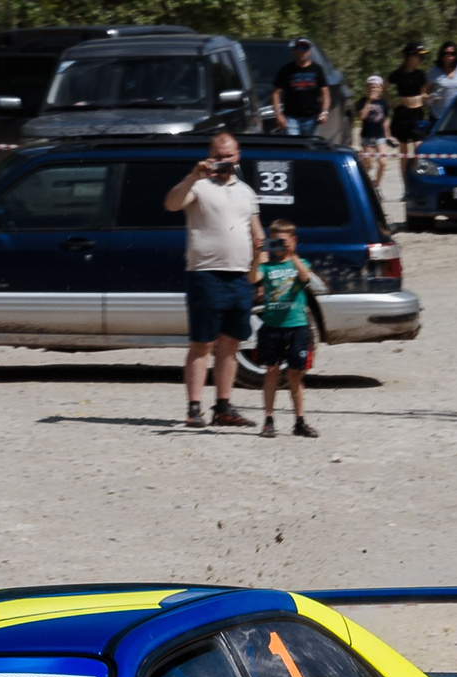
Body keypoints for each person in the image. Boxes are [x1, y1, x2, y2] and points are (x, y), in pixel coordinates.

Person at [163, 129, 263, 428]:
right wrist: (193, 176)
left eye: (228, 156)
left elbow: (257, 233)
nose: (223, 162)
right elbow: (171, 203)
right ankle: (194, 408)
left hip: (239, 276)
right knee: (202, 343)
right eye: (218, 157)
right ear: (210, 157)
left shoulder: (246, 191)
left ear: (238, 155)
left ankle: (224, 407)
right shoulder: (199, 187)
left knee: (231, 344)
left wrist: (258, 274)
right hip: (205, 274)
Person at [253, 222, 321, 437]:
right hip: (272, 327)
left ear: (294, 240)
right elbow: (252, 279)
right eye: (275, 241)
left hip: (297, 325)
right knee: (271, 373)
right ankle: (268, 419)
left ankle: (299, 420)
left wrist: (293, 255)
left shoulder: (301, 263)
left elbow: (305, 278)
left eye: (284, 240)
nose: (279, 245)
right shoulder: (267, 267)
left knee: (295, 374)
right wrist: (258, 254)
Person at [270, 40, 330, 137]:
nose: (303, 51)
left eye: (305, 48)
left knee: (310, 148)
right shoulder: (286, 70)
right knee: (294, 147)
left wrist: (324, 112)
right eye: (299, 48)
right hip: (291, 118)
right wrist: (278, 115)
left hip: (312, 118)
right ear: (294, 51)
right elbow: (276, 93)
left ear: (309, 51)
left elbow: (325, 94)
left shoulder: (317, 69)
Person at [388, 45, 431, 162]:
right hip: (402, 114)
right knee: (404, 152)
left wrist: (428, 97)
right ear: (410, 57)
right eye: (419, 56)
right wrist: (392, 103)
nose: (421, 60)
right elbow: (383, 87)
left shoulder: (420, 74)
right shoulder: (398, 74)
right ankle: (405, 179)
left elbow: (423, 93)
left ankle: (418, 175)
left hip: (418, 114)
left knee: (419, 148)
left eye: (422, 57)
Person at [354, 75, 391, 187]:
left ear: (381, 88)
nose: (373, 89)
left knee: (383, 162)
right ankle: (366, 184)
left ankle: (376, 184)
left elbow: (385, 120)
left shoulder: (383, 103)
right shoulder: (362, 101)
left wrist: (388, 135)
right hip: (367, 136)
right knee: (368, 164)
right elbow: (362, 117)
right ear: (367, 88)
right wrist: (369, 100)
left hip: (380, 136)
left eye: (376, 87)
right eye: (371, 87)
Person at [428, 42, 457, 113]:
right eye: (445, 53)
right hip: (439, 115)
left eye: (452, 54)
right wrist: (431, 99)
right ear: (441, 55)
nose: (448, 56)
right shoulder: (434, 71)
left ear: (456, 55)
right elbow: (426, 91)